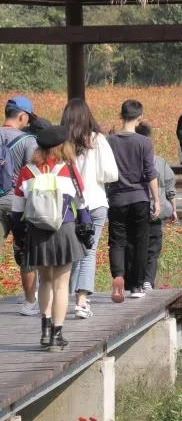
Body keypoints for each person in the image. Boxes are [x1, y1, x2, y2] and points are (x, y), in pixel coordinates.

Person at [9, 124, 87, 350]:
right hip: (64, 229)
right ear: (63, 146)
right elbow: (82, 204)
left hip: (36, 231)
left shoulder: (27, 171)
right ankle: (57, 335)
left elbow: (16, 210)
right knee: (62, 285)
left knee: (45, 281)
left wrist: (20, 238)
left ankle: (44, 330)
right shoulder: (69, 169)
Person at [63, 98, 119, 319]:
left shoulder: (61, 142)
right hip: (94, 203)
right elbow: (111, 174)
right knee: (88, 253)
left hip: (68, 206)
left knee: (72, 254)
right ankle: (82, 302)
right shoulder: (97, 140)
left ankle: (64, 298)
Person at [107, 100, 161, 303]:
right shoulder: (144, 142)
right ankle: (137, 285)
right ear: (140, 117)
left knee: (117, 242)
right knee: (140, 242)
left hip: (117, 198)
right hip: (139, 197)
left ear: (121, 116)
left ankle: (119, 278)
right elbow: (150, 173)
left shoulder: (109, 141)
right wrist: (156, 200)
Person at [0, 96, 41, 316]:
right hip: (17, 205)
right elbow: (31, 176)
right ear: (22, 116)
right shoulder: (28, 141)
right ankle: (29, 302)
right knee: (25, 252)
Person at [133, 123, 177, 291]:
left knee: (136, 244)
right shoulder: (159, 162)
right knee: (153, 247)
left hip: (135, 208)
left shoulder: (129, 161)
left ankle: (137, 280)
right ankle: (148, 280)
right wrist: (174, 209)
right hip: (155, 210)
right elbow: (170, 186)